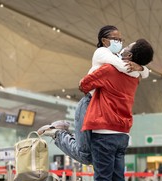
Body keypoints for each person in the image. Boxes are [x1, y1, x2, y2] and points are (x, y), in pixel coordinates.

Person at [70, 38, 154, 181]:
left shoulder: (109, 70)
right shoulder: (136, 75)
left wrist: (99, 66)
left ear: (130, 56)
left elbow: (83, 85)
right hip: (122, 135)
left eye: (129, 46)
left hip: (104, 132)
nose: (125, 45)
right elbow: (143, 71)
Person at [37, 25, 149, 165]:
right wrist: (139, 68)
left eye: (121, 39)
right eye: (115, 39)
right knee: (86, 156)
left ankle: (59, 132)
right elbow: (122, 67)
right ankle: (58, 134)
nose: (119, 43)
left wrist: (141, 68)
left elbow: (143, 73)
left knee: (89, 156)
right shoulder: (102, 53)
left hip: (100, 107)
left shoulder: (116, 56)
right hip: (89, 103)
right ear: (104, 40)